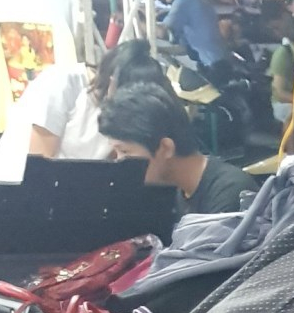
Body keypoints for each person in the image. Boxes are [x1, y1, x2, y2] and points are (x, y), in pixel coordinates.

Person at [0, 38, 167, 181]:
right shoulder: (62, 84)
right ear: (113, 83)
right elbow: (39, 167)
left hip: (70, 191)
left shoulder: (122, 112)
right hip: (18, 185)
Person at [99, 84, 253, 222]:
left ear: (166, 148)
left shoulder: (230, 195)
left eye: (124, 151)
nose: (119, 161)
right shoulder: (181, 188)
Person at [158, 0, 232, 79]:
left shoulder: (184, 1)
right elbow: (188, 47)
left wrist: (141, 22)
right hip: (218, 60)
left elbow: (161, 32)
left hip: (212, 66)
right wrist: (162, 50)